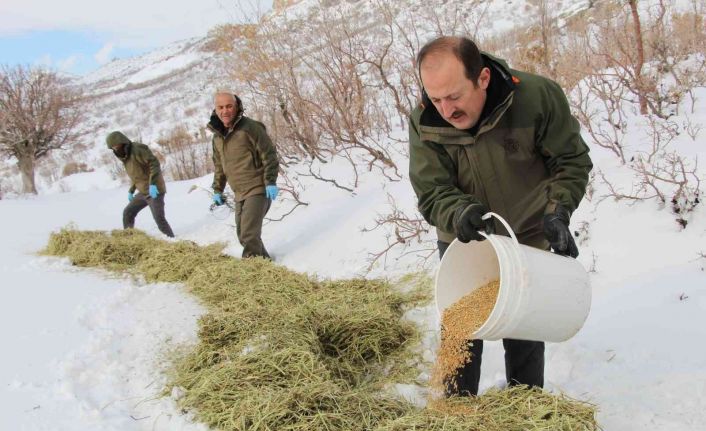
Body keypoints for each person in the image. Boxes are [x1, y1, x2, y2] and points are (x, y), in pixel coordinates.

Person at [408, 36, 593, 396]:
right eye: (435, 98)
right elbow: (431, 190)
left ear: (483, 78)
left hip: (524, 232)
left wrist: (557, 211)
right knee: (460, 328)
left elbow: (570, 161)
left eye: (454, 96)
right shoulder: (425, 121)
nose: (445, 110)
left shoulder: (536, 98)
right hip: (464, 237)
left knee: (524, 325)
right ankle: (455, 410)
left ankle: (525, 404)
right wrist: (459, 211)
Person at [208, 91, 279, 259]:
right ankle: (265, 264)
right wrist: (217, 189)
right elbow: (219, 166)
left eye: (229, 106)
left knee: (249, 234)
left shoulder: (250, 127)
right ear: (215, 110)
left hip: (258, 187)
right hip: (239, 192)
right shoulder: (217, 137)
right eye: (220, 107)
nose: (225, 111)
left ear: (237, 106)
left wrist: (270, 181)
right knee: (243, 235)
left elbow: (269, 154)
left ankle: (252, 270)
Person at [106, 131, 175, 238]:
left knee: (159, 219)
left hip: (154, 191)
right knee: (128, 212)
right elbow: (137, 175)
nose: (115, 149)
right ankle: (129, 238)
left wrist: (153, 184)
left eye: (116, 146)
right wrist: (131, 190)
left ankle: (172, 239)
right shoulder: (126, 157)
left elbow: (154, 163)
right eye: (113, 148)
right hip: (143, 192)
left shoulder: (137, 149)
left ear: (122, 142)